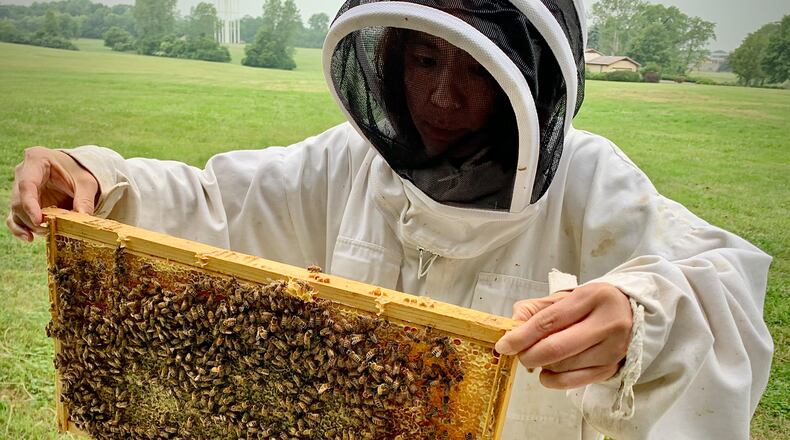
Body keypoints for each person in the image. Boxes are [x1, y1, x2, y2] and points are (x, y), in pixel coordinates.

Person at [7, 0, 773, 439]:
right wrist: (95, 176)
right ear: (386, 61)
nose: (443, 99)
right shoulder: (348, 164)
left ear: (529, 84)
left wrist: (642, 319)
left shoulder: (593, 180)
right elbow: (217, 204)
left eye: (476, 71)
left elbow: (720, 285)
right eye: (424, 61)